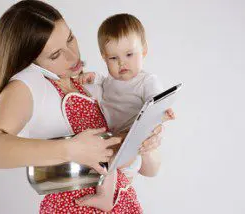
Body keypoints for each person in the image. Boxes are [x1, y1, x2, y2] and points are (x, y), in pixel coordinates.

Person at [0, 1, 166, 213]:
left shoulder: (87, 83)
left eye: (70, 39)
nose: (73, 56)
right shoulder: (27, 85)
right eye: (55, 55)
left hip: (124, 204)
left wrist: (145, 143)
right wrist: (71, 149)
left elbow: (151, 170)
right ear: (30, 60)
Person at [75, 13, 175, 211]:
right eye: (113, 58)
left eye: (129, 55)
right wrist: (92, 77)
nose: (122, 63)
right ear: (104, 58)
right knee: (101, 153)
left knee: (106, 154)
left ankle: (105, 197)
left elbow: (157, 102)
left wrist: (165, 112)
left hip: (133, 142)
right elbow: (100, 82)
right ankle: (116, 190)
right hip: (115, 140)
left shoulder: (146, 81)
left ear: (144, 51)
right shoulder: (108, 81)